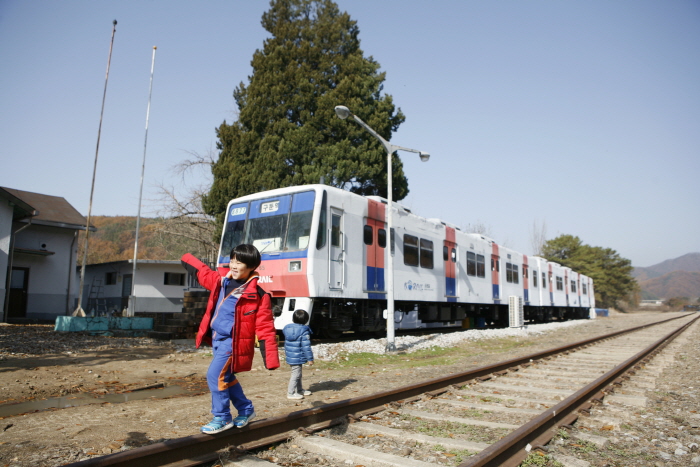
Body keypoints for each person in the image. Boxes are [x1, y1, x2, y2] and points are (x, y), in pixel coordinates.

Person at [181, 244, 279, 434]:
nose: (233, 265)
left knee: (214, 375)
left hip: (232, 344)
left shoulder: (258, 295)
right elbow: (203, 273)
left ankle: (222, 417)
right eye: (232, 260)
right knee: (227, 376)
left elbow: (265, 327)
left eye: (239, 262)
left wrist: (271, 358)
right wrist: (186, 258)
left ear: (251, 267)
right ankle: (246, 410)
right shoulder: (222, 281)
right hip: (217, 339)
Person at [282, 309, 314, 400]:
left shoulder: (287, 328)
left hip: (291, 356)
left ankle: (299, 390)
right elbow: (306, 346)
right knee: (296, 374)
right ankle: (290, 393)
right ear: (306, 320)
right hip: (297, 356)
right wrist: (310, 359)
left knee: (298, 374)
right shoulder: (304, 331)